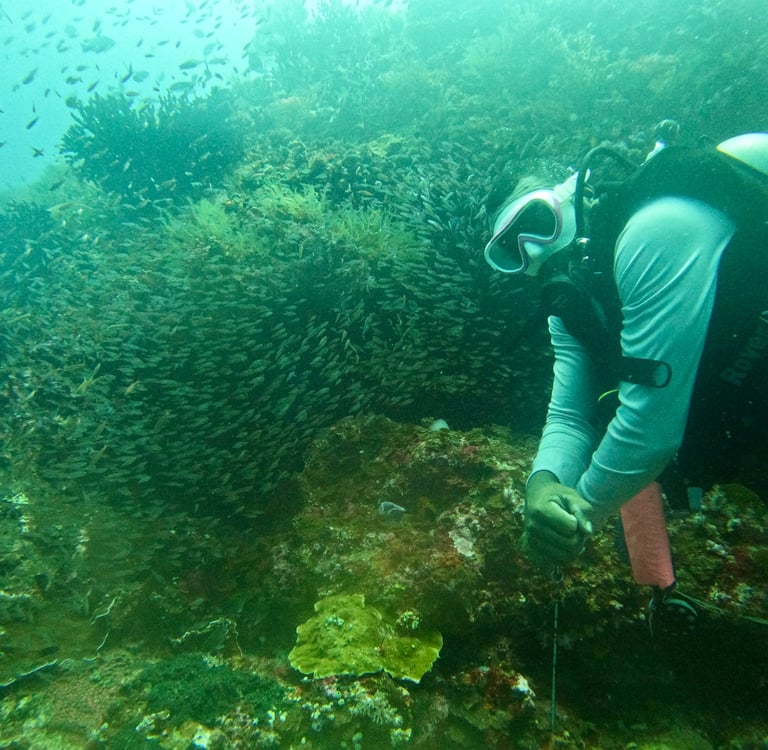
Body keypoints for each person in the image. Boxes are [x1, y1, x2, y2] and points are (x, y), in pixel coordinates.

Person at [484, 125, 768, 574]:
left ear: (574, 190)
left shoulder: (656, 231)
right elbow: (568, 417)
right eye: (510, 253)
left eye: (536, 222)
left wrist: (575, 519)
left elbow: (648, 432)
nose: (534, 253)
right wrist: (541, 486)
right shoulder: (572, 307)